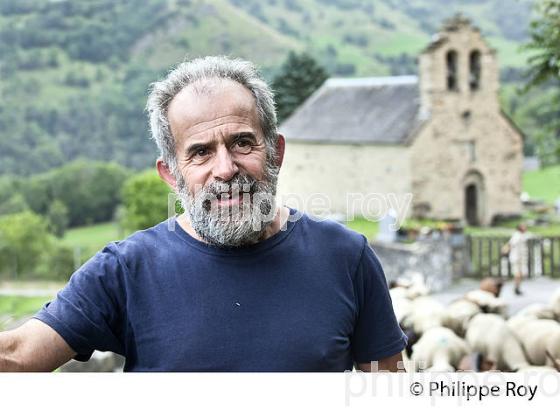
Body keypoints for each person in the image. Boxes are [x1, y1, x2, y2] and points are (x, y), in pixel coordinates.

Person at [0, 56, 407, 372]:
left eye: (242, 142)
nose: (225, 169)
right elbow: (18, 355)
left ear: (276, 153)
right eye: (200, 152)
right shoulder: (125, 270)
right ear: (172, 175)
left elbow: (386, 380)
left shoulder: (346, 256)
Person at [503, 223, 532, 296]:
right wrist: (505, 250)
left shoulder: (522, 235)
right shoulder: (517, 235)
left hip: (520, 258)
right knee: (518, 274)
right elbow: (510, 244)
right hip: (516, 258)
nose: (525, 227)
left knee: (520, 273)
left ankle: (517, 288)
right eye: (524, 226)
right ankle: (516, 288)